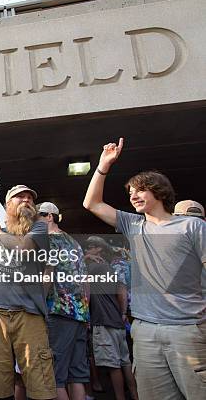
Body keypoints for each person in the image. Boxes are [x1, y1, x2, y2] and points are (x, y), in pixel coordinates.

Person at [83, 138, 206, 399]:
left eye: (139, 190)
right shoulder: (133, 225)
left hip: (186, 329)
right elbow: (91, 204)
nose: (133, 196)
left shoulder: (192, 227)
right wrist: (103, 166)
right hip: (145, 330)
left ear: (158, 192)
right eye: (130, 193)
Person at [0, 185, 56, 400]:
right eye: (20, 197)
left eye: (30, 198)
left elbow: (22, 249)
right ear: (6, 204)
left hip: (29, 313)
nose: (26, 200)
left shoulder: (39, 227)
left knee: (40, 380)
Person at [38, 202, 90, 400]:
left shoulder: (48, 241)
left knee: (54, 376)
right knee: (77, 375)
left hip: (58, 313)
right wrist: (86, 313)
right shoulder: (75, 243)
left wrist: (40, 306)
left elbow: (47, 276)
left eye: (38, 217)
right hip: (79, 315)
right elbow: (86, 282)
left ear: (49, 217)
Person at [83, 236, 138, 400]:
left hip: (102, 321)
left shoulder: (92, 268)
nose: (86, 250)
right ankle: (135, 395)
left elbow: (81, 286)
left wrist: (85, 315)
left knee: (113, 366)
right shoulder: (109, 268)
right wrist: (122, 313)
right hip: (117, 321)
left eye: (89, 247)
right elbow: (121, 290)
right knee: (125, 362)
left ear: (98, 249)